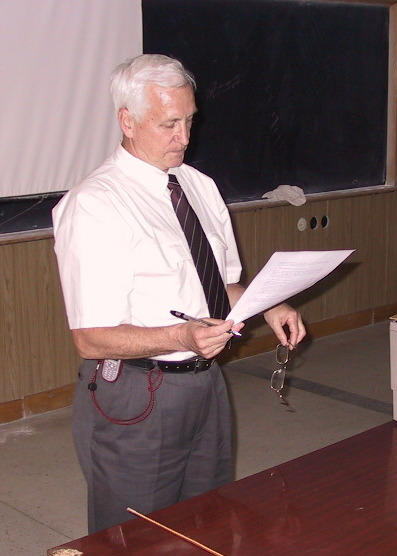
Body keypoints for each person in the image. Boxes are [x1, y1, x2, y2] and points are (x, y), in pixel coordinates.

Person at [52, 53, 306, 534]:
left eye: (190, 121)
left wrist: (269, 303)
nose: (184, 137)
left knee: (207, 519)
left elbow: (220, 282)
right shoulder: (95, 205)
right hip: (135, 393)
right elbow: (90, 338)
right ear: (127, 121)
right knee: (134, 534)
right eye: (169, 124)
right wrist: (181, 336)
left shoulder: (199, 187)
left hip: (206, 382)